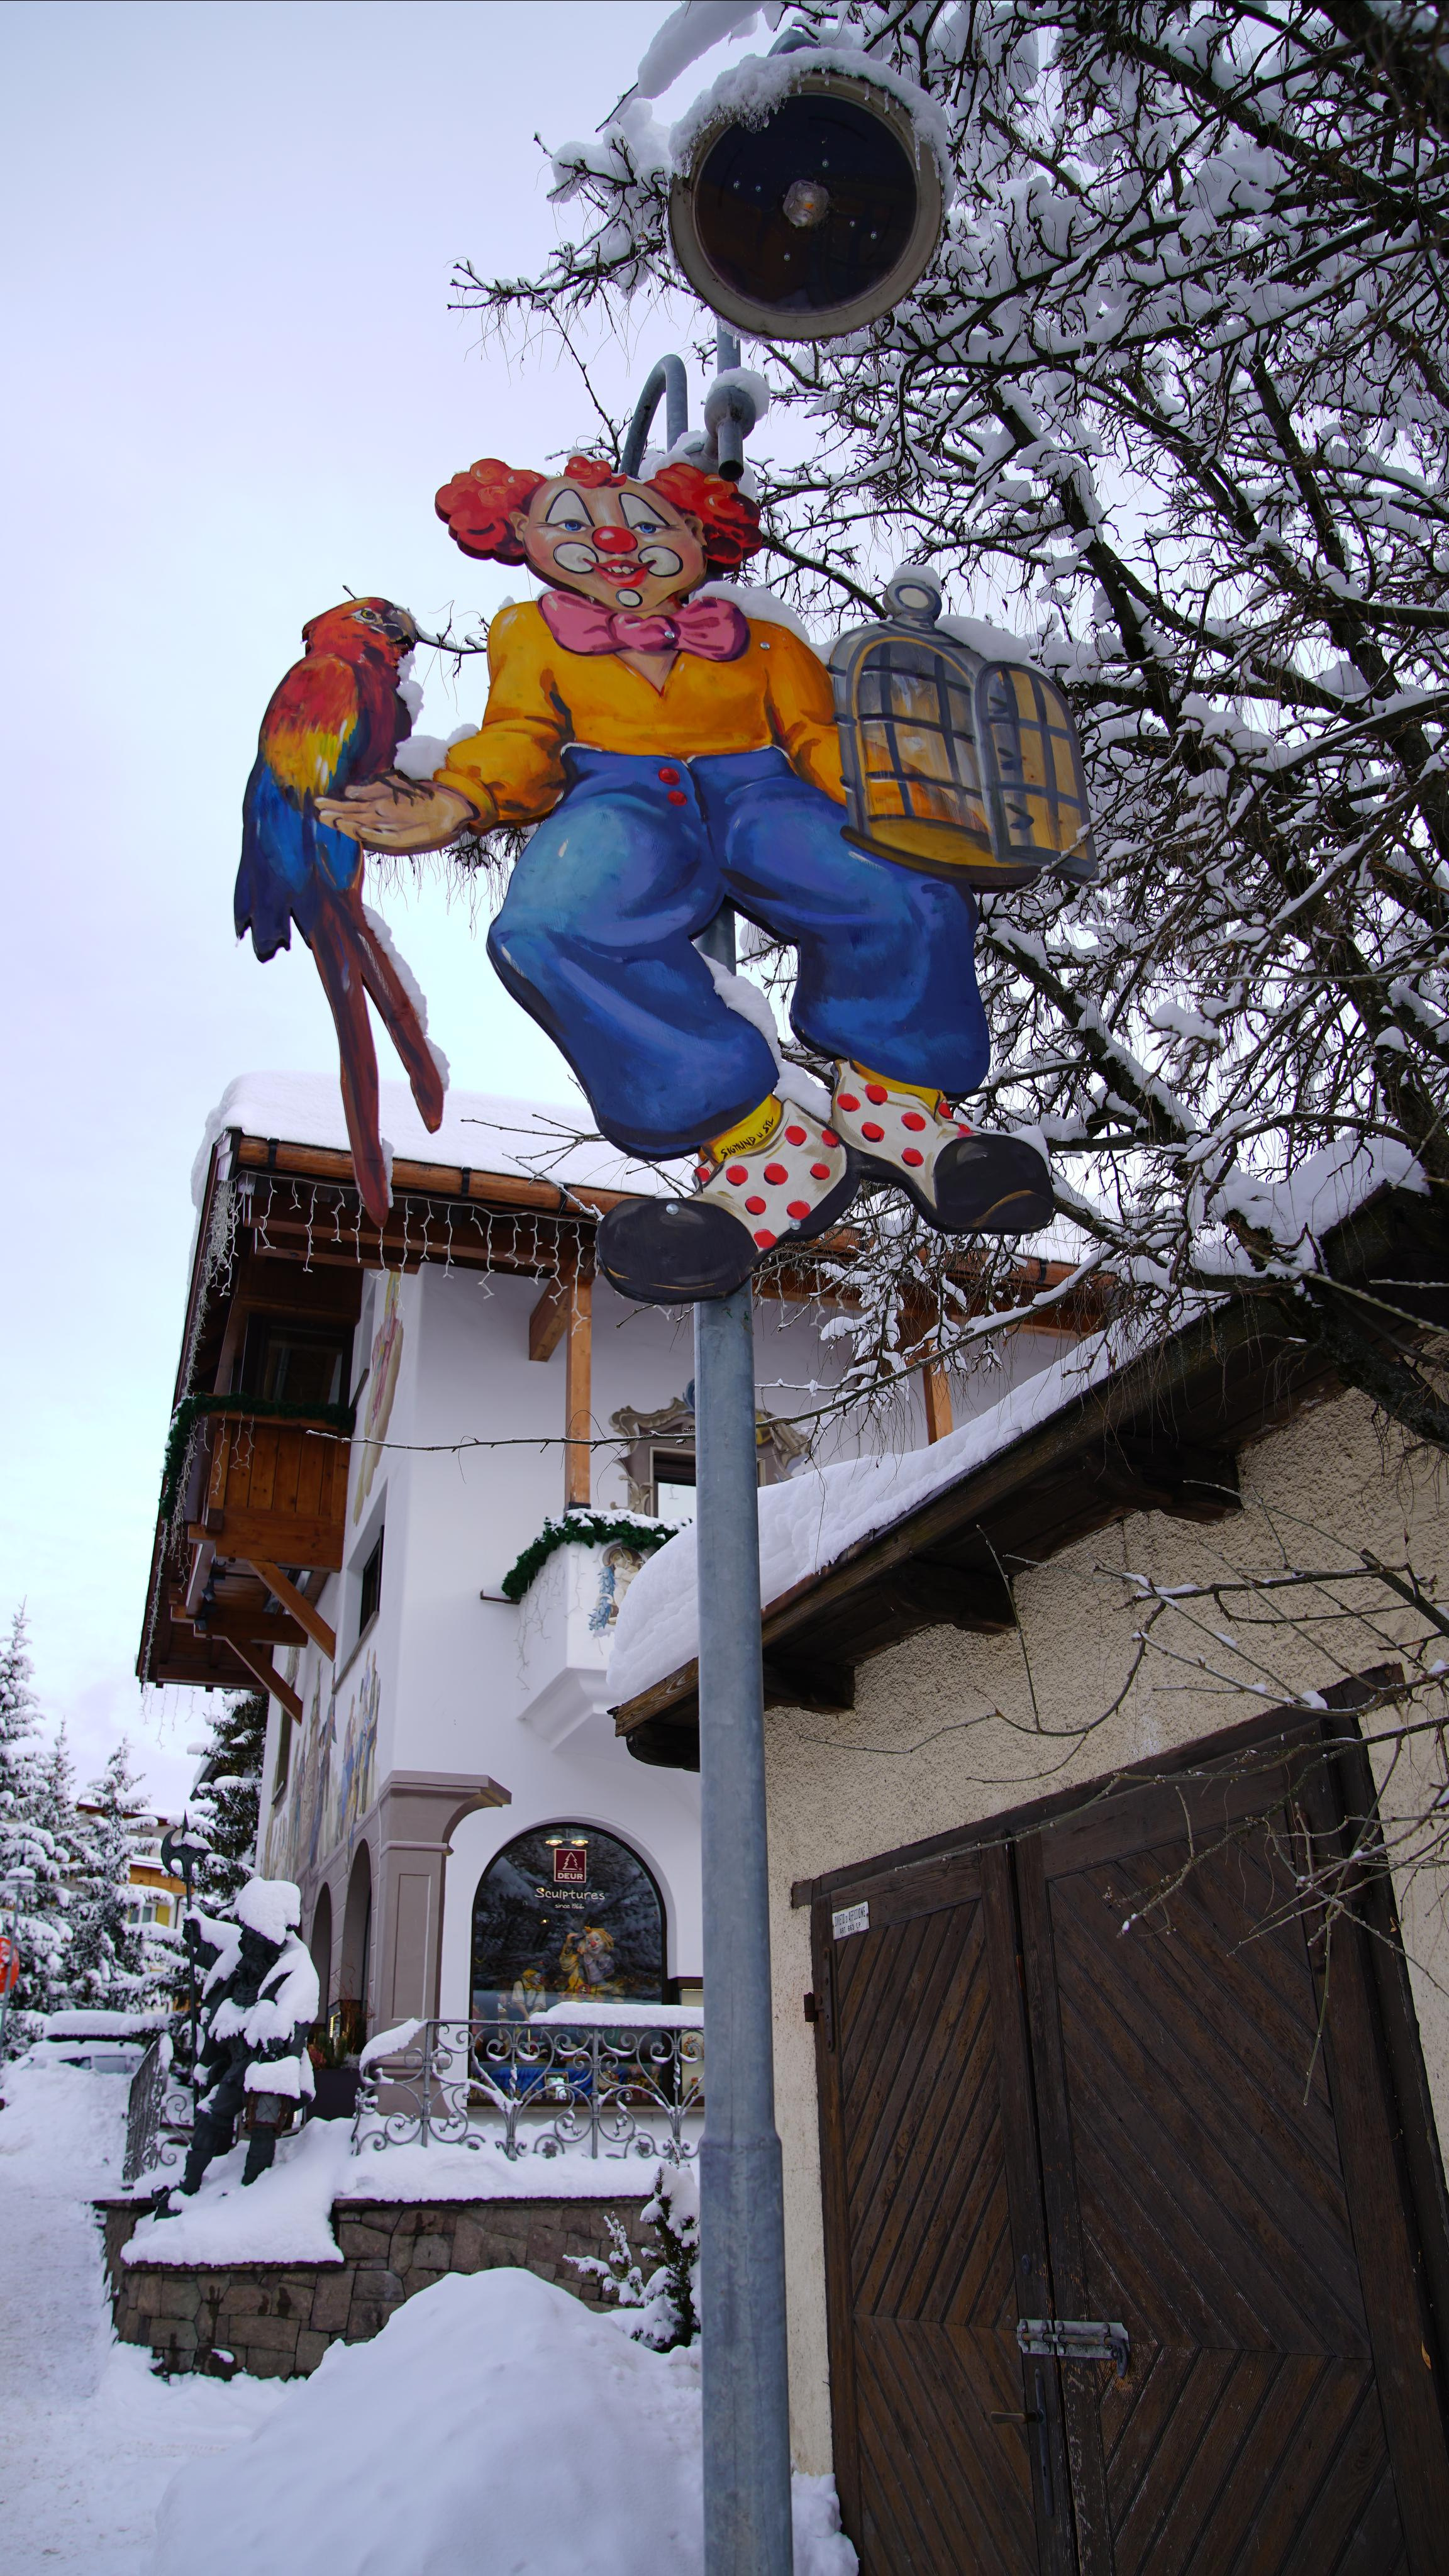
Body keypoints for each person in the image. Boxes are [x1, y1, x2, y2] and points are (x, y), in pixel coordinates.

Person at [318, 453, 1052, 1302]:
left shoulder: (767, 641)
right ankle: (763, 1146)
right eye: (570, 525)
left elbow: (816, 736)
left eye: (649, 524)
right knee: (551, 924)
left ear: (702, 536)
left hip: (761, 789)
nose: (614, 542)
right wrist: (458, 796)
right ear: (519, 537)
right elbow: (522, 733)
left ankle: (899, 1106)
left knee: (903, 883)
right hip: (620, 796)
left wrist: (899, 802)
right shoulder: (532, 632)